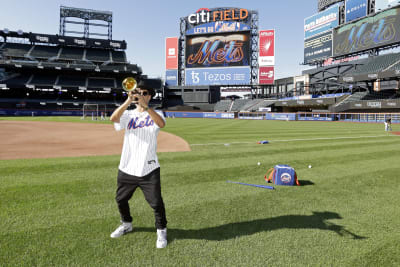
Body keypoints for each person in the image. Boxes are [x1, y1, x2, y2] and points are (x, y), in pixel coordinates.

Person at [109, 85, 168, 248]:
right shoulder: (128, 114)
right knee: (121, 199)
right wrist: (128, 100)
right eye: (137, 93)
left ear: (149, 96)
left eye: (144, 93)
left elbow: (161, 124)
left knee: (156, 203)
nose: (140, 95)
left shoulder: (157, 113)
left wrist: (146, 106)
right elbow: (113, 119)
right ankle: (126, 224)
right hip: (127, 166)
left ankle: (161, 231)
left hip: (149, 168)